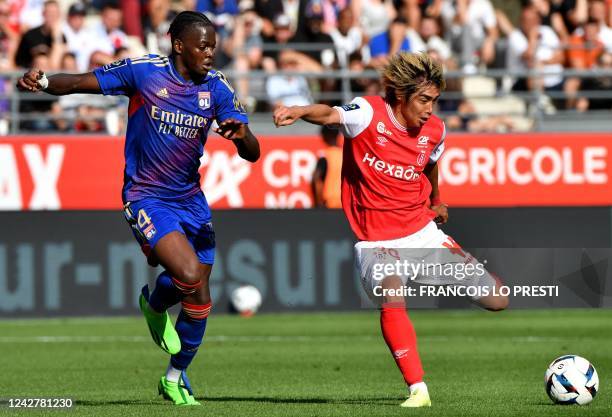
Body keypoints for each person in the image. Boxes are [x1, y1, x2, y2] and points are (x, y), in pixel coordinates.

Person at [17, 10, 260, 406]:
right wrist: (43, 80)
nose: (211, 53)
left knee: (199, 294)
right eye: (203, 46)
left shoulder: (217, 87)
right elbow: (81, 82)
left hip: (190, 199)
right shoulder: (144, 72)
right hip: (146, 194)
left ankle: (174, 377)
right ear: (178, 45)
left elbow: (253, 153)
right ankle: (155, 303)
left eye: (213, 46)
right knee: (186, 274)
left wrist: (242, 135)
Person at [273, 52, 508, 408]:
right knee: (392, 289)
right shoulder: (368, 114)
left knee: (498, 299)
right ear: (401, 95)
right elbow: (331, 115)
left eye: (435, 101)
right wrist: (302, 110)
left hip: (423, 233)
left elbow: (429, 164)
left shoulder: (436, 131)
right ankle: (418, 389)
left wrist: (438, 199)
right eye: (424, 100)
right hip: (377, 243)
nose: (430, 109)